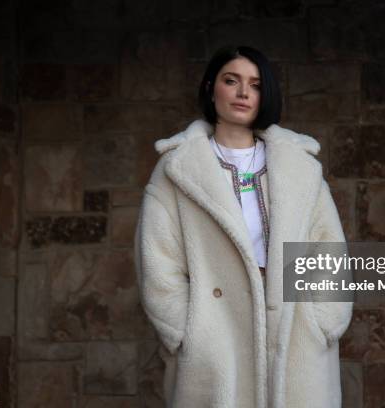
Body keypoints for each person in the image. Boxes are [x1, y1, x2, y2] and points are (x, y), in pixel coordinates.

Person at [134, 45, 353, 408]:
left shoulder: (300, 167)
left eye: (255, 84)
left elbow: (327, 249)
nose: (243, 92)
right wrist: (188, 331)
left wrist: (322, 319)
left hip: (297, 333)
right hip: (215, 341)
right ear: (210, 88)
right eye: (231, 80)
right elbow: (157, 262)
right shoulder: (177, 170)